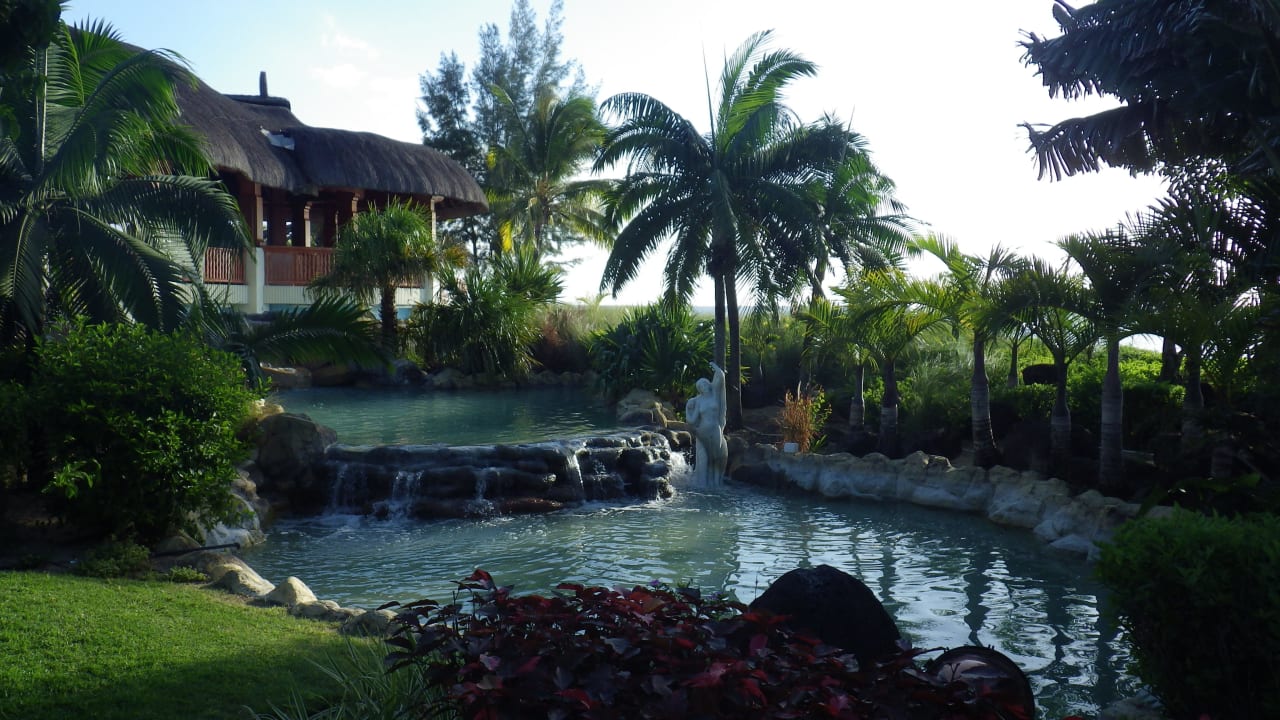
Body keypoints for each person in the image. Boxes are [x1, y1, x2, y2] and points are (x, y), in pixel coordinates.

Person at [686, 361, 727, 486]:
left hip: (715, 429)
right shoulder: (698, 401)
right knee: (705, 458)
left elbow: (721, 378)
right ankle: (704, 484)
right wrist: (687, 409)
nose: (703, 386)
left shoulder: (715, 394)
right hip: (703, 431)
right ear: (699, 390)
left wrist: (715, 367)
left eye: (704, 383)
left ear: (708, 384)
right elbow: (692, 420)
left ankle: (716, 483)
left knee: (716, 456)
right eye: (700, 386)